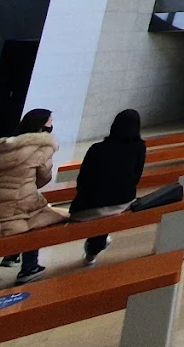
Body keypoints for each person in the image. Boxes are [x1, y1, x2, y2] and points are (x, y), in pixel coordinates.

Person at [0, 108, 64, 285]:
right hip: (21, 210)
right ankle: (29, 267)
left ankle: (11, 254)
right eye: (49, 122)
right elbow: (42, 179)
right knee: (40, 216)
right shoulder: (41, 150)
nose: (51, 125)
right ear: (42, 127)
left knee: (13, 214)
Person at [70, 109, 147, 264]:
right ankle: (94, 248)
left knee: (100, 203)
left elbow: (82, 181)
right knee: (108, 205)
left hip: (87, 206)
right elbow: (136, 177)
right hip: (122, 202)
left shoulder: (96, 149)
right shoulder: (139, 147)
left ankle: (94, 248)